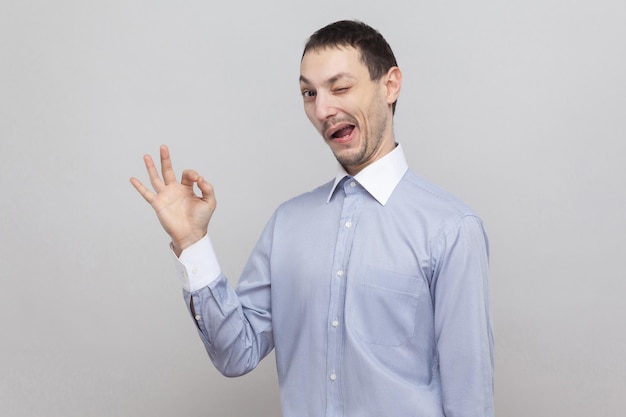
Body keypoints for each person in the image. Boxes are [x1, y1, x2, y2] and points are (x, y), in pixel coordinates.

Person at [131, 20, 494, 417]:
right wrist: (192, 244)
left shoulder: (451, 228)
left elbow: (469, 400)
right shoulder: (288, 224)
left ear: (390, 86)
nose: (322, 110)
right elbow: (237, 354)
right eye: (309, 93)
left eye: (340, 88)